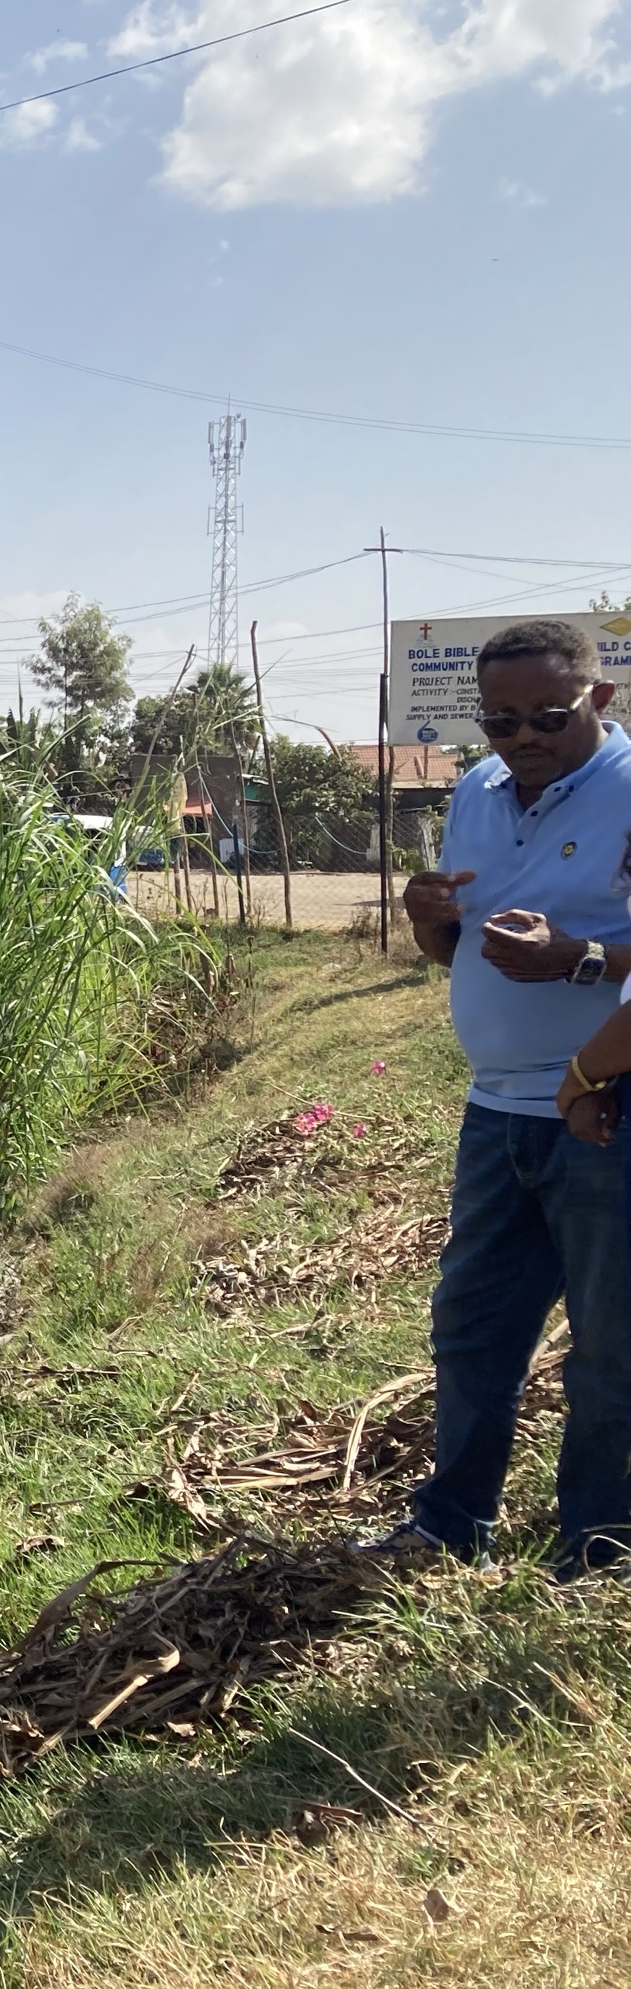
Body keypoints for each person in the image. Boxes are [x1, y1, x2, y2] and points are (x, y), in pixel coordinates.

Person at [393, 617, 631, 1576]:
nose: (524, 739)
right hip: (497, 1111)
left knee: (612, 1346)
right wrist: (428, 924)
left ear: (601, 701)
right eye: (501, 722)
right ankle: (451, 1526)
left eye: (548, 716)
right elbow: (459, 949)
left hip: (604, 1105)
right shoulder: (479, 794)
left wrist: (575, 960)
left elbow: (575, 959)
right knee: (473, 1326)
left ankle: (600, 1542)